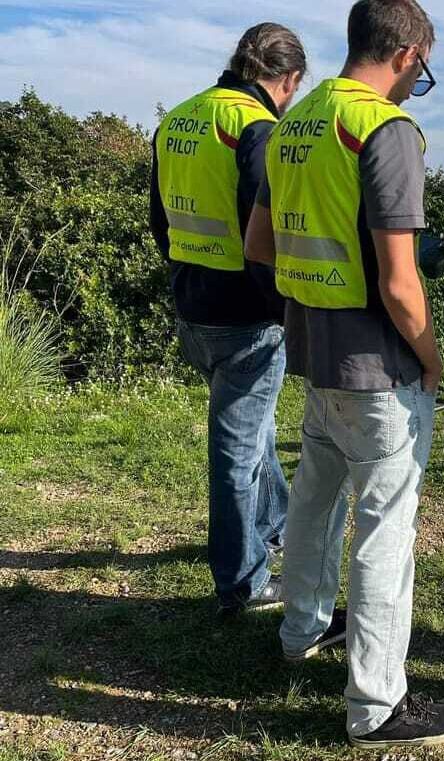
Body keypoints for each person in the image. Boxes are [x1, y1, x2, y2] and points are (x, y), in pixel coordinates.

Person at [244, 0, 444, 749]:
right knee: (385, 530)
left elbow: (260, 245)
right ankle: (376, 705)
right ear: (408, 54)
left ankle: (301, 630)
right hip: (379, 367)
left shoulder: (295, 123)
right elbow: (403, 284)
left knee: (314, 497)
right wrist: (433, 362)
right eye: (424, 72)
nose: (417, 87)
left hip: (313, 348)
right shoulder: (385, 129)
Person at [150, 23, 306, 617]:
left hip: (193, 302)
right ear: (287, 78)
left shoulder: (180, 118)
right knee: (238, 450)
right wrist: (283, 311)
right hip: (245, 318)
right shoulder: (256, 129)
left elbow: (159, 220)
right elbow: (261, 237)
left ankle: (274, 526)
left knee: (254, 429)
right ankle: (242, 580)